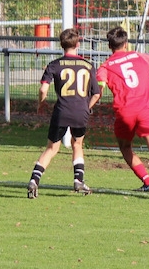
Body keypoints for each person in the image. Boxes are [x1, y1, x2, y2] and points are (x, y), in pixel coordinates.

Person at [96, 26, 149, 194]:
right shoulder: (140, 56)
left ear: (109, 46)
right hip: (146, 108)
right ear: (126, 43)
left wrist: (88, 104)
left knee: (125, 147)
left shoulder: (105, 67)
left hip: (125, 111)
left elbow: (99, 90)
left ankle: (147, 181)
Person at [28, 27, 102, 199]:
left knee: (52, 148)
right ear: (78, 44)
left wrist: (41, 103)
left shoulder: (54, 65)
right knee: (77, 144)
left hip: (61, 111)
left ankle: (34, 180)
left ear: (61, 45)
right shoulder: (88, 65)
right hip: (81, 112)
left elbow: (43, 89)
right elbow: (96, 94)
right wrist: (87, 107)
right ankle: (78, 180)